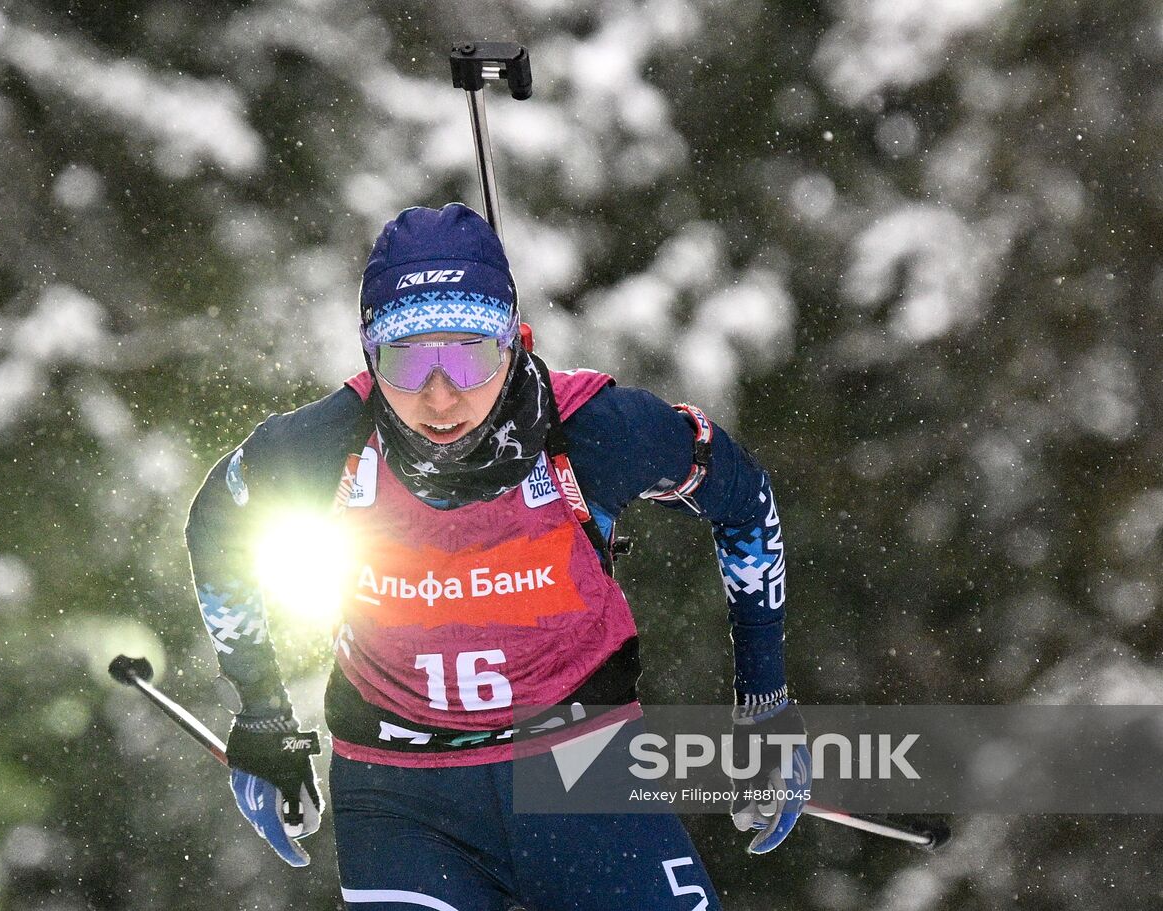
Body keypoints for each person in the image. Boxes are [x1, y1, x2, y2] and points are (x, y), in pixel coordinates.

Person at [185, 203, 807, 910]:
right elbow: (217, 526)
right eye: (408, 358)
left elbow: (742, 497)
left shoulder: (593, 431)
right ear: (369, 354)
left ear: (511, 342)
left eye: (470, 355)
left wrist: (764, 702)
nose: (441, 395)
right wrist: (261, 712)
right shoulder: (324, 447)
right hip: (402, 800)